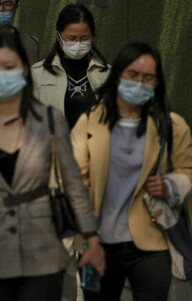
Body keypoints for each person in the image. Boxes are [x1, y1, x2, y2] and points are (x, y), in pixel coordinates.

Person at [0, 31, 104, 301]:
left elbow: (72, 183)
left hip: (42, 247)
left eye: (9, 67)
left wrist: (91, 238)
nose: (2, 75)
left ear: (24, 70)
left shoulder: (48, 120)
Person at [71, 42, 192, 301]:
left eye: (148, 77)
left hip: (152, 240)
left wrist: (172, 185)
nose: (140, 83)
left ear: (157, 82)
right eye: (133, 75)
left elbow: (187, 169)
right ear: (118, 77)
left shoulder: (171, 125)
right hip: (95, 241)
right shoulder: (89, 121)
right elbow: (70, 175)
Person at [31, 4, 109, 129]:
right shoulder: (38, 74)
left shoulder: (107, 74)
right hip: (54, 146)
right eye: (71, 38)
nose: (78, 43)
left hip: (94, 147)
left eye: (84, 38)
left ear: (92, 37)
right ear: (59, 36)